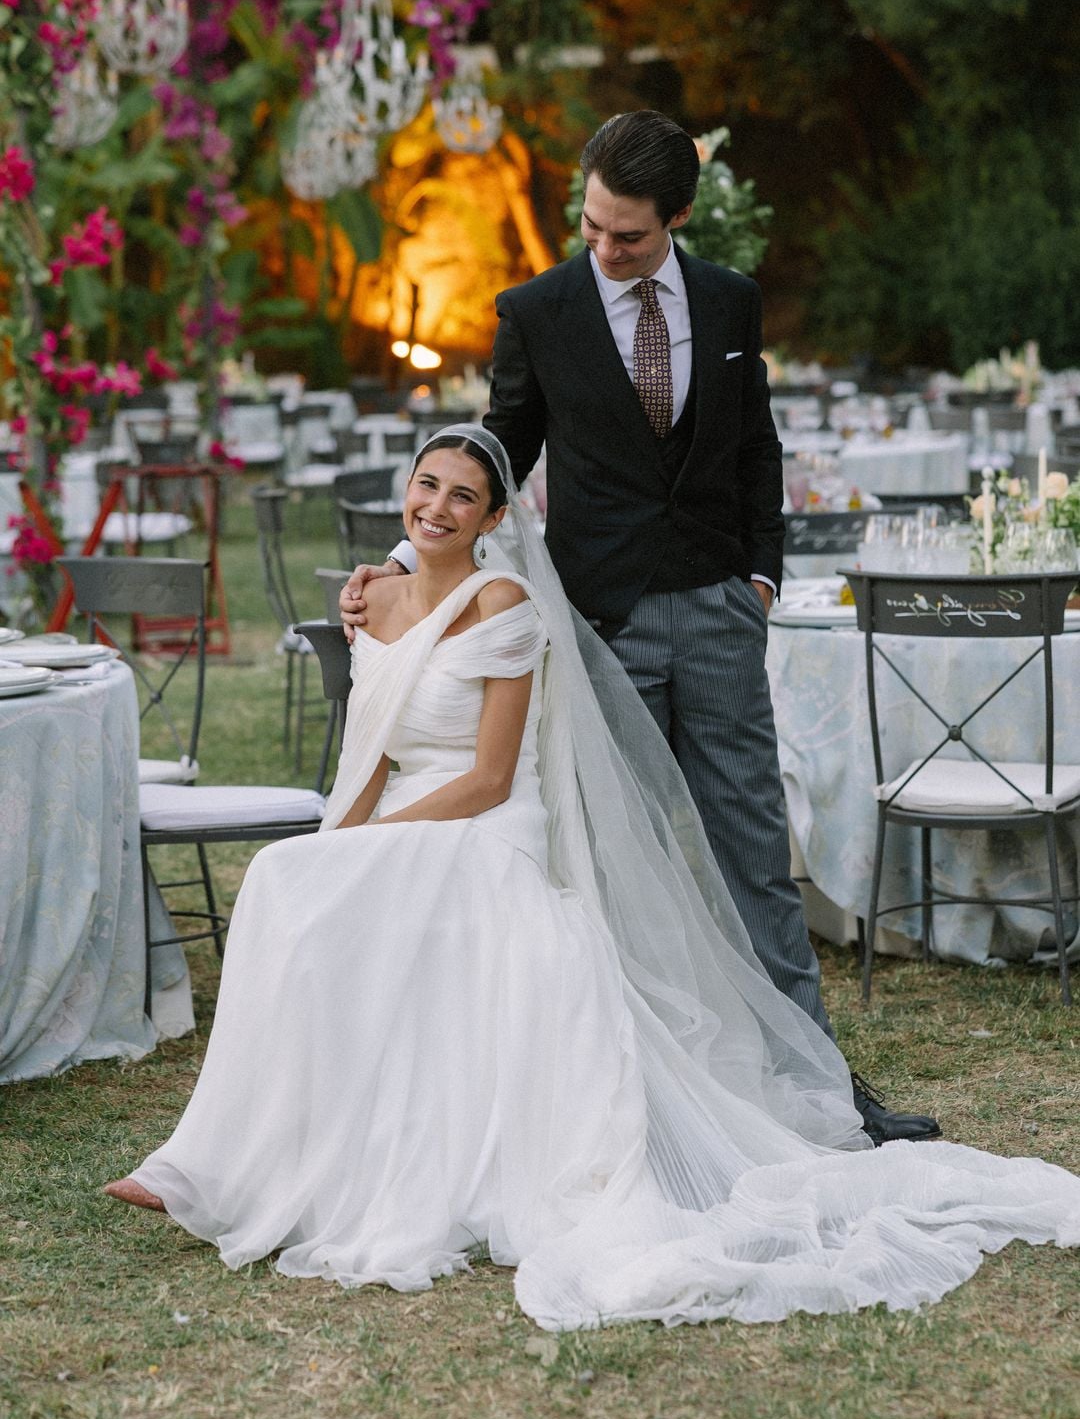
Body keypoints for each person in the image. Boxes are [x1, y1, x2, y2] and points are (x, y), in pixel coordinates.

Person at [106, 427, 1080, 1329]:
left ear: (495, 520)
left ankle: (224, 1165)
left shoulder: (505, 605)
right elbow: (370, 750)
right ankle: (226, 1161)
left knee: (298, 879)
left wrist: (365, 842)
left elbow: (490, 777)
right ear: (406, 492)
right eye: (427, 485)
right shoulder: (376, 597)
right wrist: (336, 839)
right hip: (408, 810)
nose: (438, 507)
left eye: (464, 497)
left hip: (488, 821)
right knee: (285, 881)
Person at [340, 110, 934, 1146]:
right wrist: (407, 556)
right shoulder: (539, 309)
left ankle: (821, 1089)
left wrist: (757, 579)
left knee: (753, 852)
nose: (605, 250)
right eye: (592, 226)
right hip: (597, 626)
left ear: (680, 217)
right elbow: (499, 450)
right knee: (611, 859)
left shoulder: (731, 300)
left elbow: (757, 446)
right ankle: (631, 1095)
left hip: (717, 612)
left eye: (628, 235)